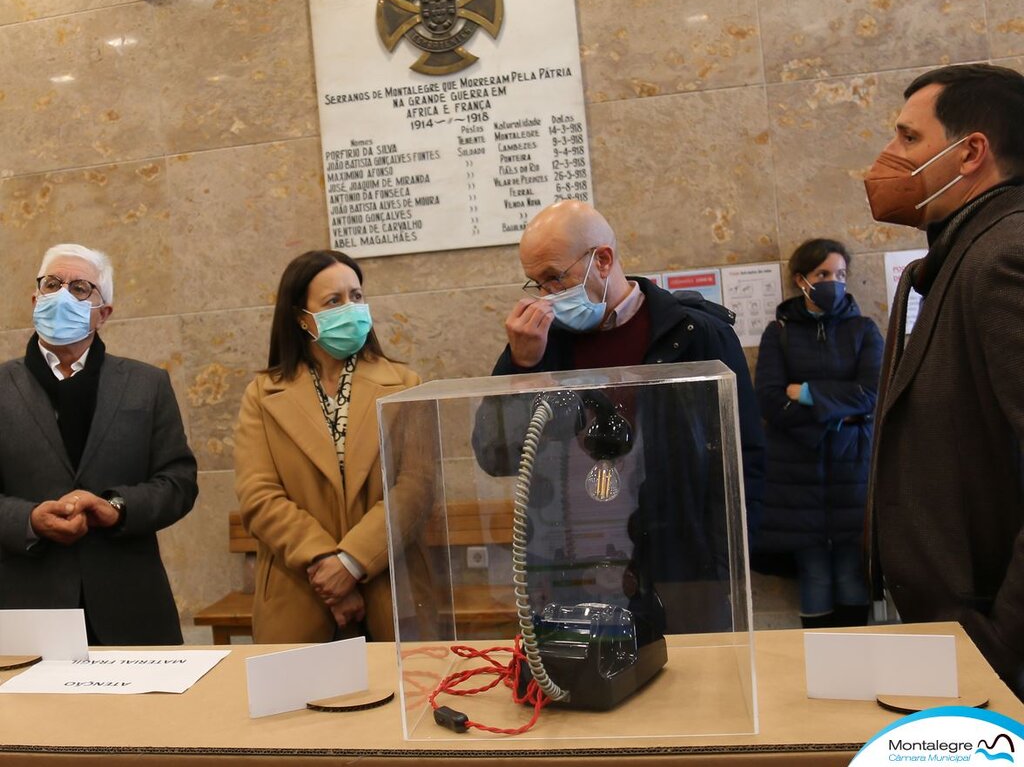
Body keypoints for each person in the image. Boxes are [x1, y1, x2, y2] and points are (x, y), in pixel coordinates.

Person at [473, 201, 765, 634]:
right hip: (569, 570)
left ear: (602, 260)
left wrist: (723, 563)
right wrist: (522, 368)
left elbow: (746, 457)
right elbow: (495, 456)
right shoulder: (539, 343)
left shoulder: (696, 334)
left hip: (680, 567)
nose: (548, 296)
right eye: (537, 284)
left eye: (556, 277)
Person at [863, 63, 1024, 696]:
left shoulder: (1005, 255)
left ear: (971, 153)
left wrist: (1000, 641)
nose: (886, 157)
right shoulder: (959, 251)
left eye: (907, 138)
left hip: (991, 646)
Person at [0, 244, 198, 645]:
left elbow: (179, 481)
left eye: (79, 288)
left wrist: (116, 508)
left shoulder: (147, 384)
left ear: (103, 313)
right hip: (27, 607)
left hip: (131, 604)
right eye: (52, 284)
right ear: (35, 299)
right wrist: (29, 519)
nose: (61, 296)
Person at [234, 250, 434, 644]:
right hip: (301, 592)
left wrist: (352, 562)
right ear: (301, 317)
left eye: (356, 297)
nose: (351, 309)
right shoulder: (262, 394)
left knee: (404, 702)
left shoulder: (405, 384)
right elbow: (258, 495)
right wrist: (326, 565)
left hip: (390, 587)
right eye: (334, 301)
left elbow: (417, 487)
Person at [754, 238, 883, 628]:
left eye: (840, 275)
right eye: (823, 274)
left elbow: (873, 394)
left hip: (852, 470)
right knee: (812, 573)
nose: (834, 282)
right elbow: (771, 401)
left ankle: (859, 663)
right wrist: (837, 418)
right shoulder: (778, 333)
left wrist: (809, 393)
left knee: (850, 570)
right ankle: (820, 671)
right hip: (796, 476)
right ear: (801, 280)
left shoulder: (864, 330)